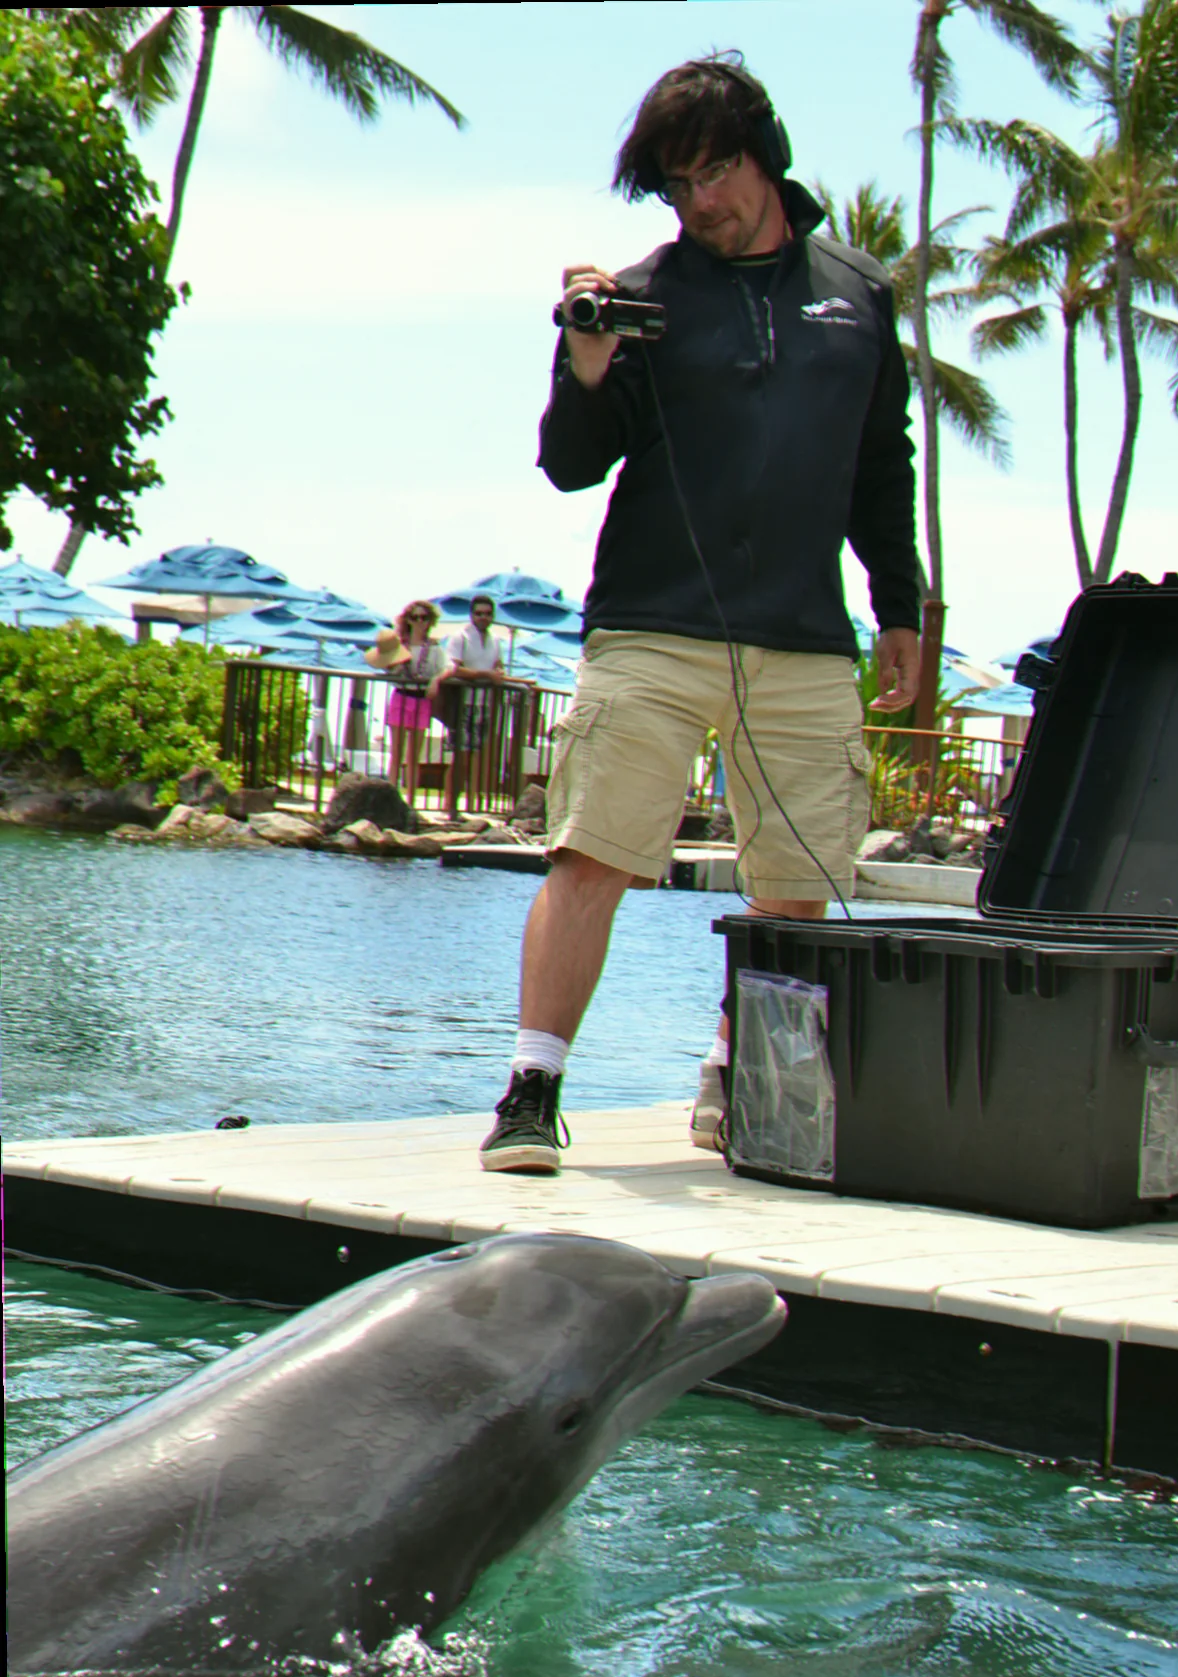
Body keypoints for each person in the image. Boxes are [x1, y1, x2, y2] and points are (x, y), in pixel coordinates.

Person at [478, 54, 920, 1176]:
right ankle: (533, 1089)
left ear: (763, 153)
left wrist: (901, 606)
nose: (700, 202)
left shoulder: (861, 296)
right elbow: (571, 468)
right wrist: (584, 362)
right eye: (677, 185)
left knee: (798, 877)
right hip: (650, 629)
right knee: (592, 854)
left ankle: (741, 1080)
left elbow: (882, 465)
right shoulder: (641, 297)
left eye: (713, 171)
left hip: (808, 641)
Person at [431, 594, 506, 821]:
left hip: (485, 704)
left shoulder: (495, 641)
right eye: (479, 613)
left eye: (487, 614)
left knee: (476, 756)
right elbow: (454, 669)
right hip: (463, 702)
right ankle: (449, 806)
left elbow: (498, 667)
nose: (483, 617)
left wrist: (496, 675)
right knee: (459, 756)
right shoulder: (460, 637)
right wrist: (485, 675)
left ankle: (467, 806)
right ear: (471, 615)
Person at [367, 601, 446, 809]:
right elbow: (386, 668)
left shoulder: (435, 648)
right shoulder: (399, 646)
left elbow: (443, 669)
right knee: (396, 753)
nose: (420, 622)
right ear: (408, 620)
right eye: (415, 617)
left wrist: (435, 681)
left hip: (421, 700)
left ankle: (410, 801)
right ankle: (391, 798)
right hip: (401, 696)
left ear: (431, 621)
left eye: (424, 618)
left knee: (414, 756)